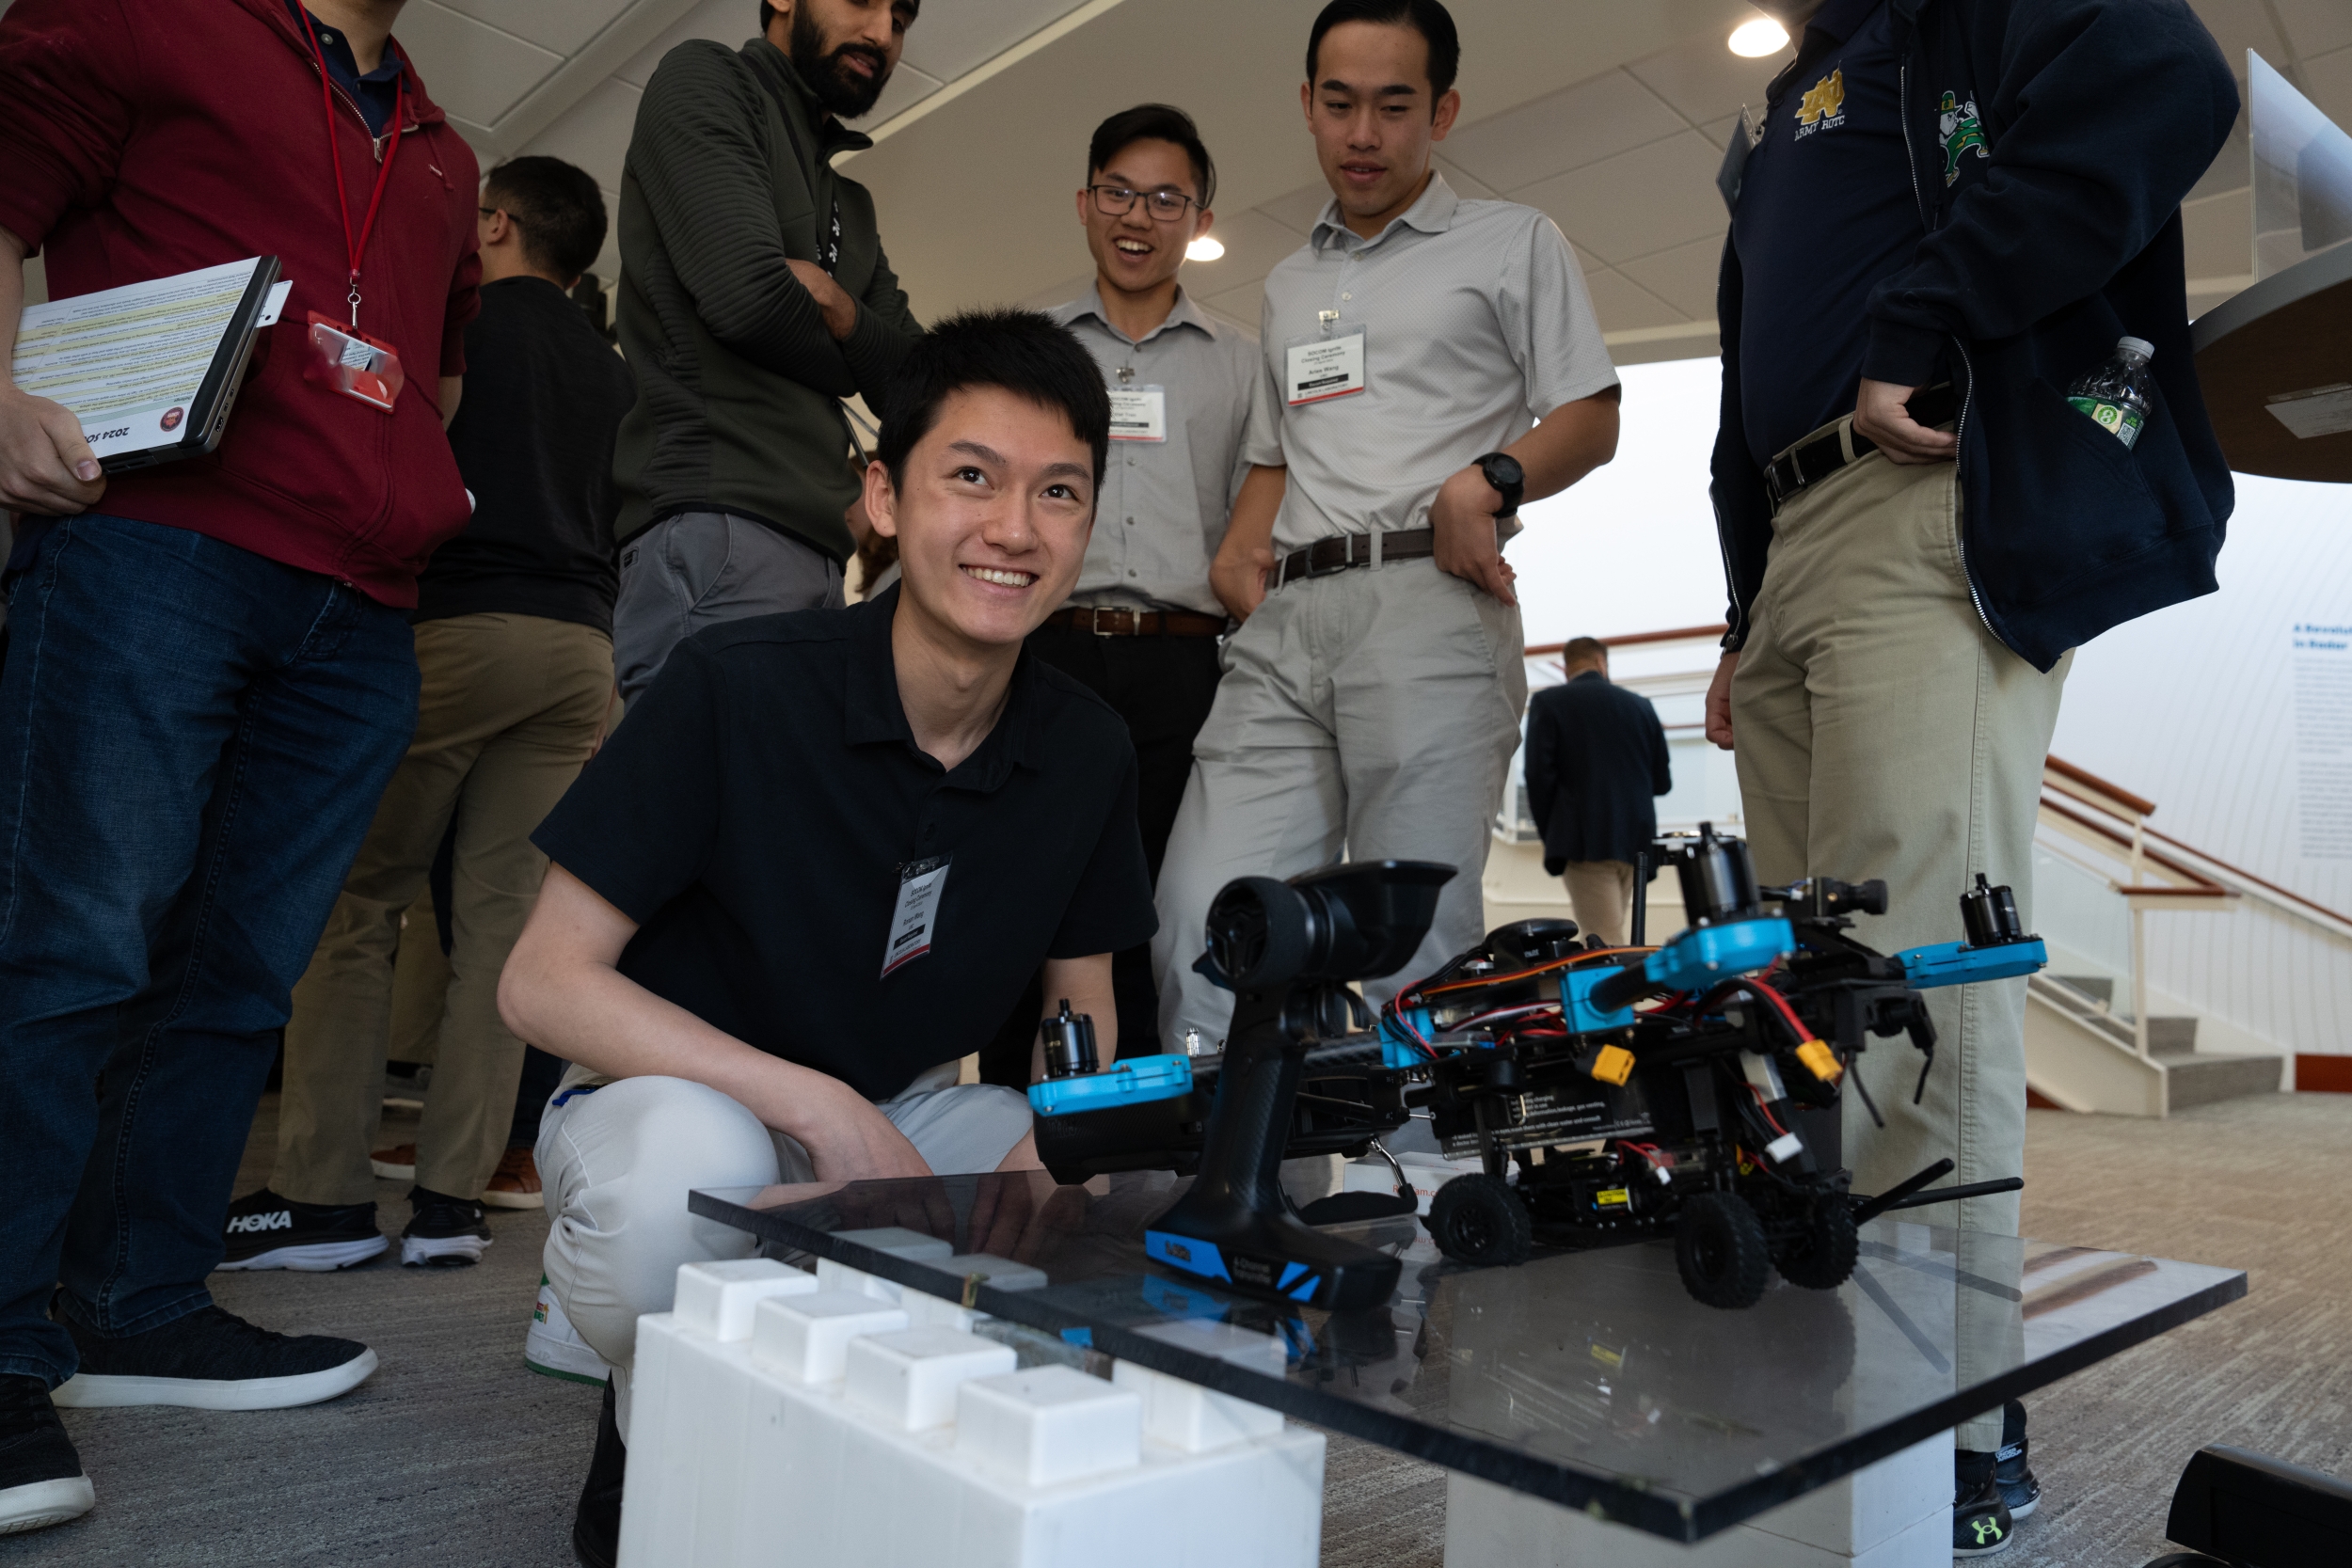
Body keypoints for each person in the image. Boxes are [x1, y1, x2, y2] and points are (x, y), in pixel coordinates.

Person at [495, 309, 1152, 1568]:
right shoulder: (735, 684)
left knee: (1099, 1203)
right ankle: (653, 1423)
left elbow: (1086, 1010)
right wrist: (821, 1105)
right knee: (670, 1190)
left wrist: (1057, 1151)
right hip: (672, 1095)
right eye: (971, 475)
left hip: (907, 1108)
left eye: (1058, 490)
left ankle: (857, 1468)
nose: (1015, 527)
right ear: (883, 497)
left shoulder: (1086, 746)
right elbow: (541, 980)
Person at [1705, 0, 2236, 1552]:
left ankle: (1948, 1420)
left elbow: (2168, 76)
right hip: (1797, 545)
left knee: (1924, 984)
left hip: (1913, 513)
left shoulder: (1962, 8)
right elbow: (1759, 357)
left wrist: (1930, 314)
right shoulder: (1801, 84)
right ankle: (1847, 1378)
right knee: (1811, 1007)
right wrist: (1745, 606)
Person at [0, 0, 481, 1535]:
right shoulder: (151, 19)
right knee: (69, 946)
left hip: (359, 611)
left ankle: (134, 1302)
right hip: (157, 549)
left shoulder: (444, 151)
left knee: (235, 978)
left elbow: (433, 366)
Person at [1152, 0, 1622, 1050]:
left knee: (1419, 951)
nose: (1363, 134)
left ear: (1441, 112)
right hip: (1284, 629)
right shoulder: (1286, 282)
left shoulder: (1511, 241)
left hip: (1426, 608)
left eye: (1393, 106)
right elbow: (1277, 456)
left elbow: (1592, 417)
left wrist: (1488, 478)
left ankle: (1420, 1208)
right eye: (1339, 104)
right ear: (1307, 109)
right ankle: (1239, 1195)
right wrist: (1236, 557)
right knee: (1203, 913)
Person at [221, 155, 635, 1274]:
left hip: (457, 625)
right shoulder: (610, 366)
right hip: (576, 648)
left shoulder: (459, 325)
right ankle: (452, 1202)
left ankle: (322, 1198)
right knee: (502, 932)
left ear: (493, 224)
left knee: (355, 901)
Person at [1007, 103, 1279, 1060]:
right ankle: (1009, 1130)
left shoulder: (1245, 367)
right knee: (1024, 885)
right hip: (1043, 653)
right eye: (1119, 191)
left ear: (1200, 220)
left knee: (1161, 902)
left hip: (1183, 668)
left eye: (1168, 198)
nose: (1139, 215)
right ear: (1084, 203)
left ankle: (1148, 1142)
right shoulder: (1029, 351)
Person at [608, 0, 925, 703]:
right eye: (864, 2)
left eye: (901, 21)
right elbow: (747, 299)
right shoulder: (707, 80)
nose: (881, 33)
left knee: (771, 807)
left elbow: (921, 390)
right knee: (696, 803)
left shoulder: (853, 206)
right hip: (717, 522)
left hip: (818, 554)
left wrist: (838, 309)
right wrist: (857, 359)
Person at [1523, 638, 1671, 947]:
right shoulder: (1642, 706)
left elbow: (1538, 776)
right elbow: (1662, 783)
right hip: (1637, 844)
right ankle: (1627, 995)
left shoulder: (1549, 703)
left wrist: (1553, 834)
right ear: (1602, 664)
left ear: (1566, 668)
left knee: (1602, 942)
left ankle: (1620, 997)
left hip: (1585, 841)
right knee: (1615, 933)